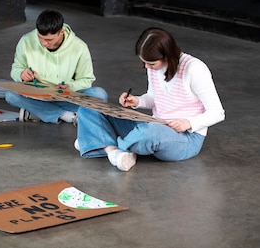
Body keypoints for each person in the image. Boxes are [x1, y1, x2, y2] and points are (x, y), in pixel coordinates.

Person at [75, 27, 225, 172]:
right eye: (144, 62)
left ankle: (93, 140)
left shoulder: (194, 69)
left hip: (185, 137)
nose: (147, 67)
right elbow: (154, 97)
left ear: (167, 56)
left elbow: (217, 112)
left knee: (149, 133)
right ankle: (113, 151)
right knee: (89, 108)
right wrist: (137, 101)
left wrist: (188, 123)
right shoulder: (153, 68)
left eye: (151, 63)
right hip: (154, 124)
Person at [5, 9, 107, 123]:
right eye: (40, 37)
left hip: (66, 96)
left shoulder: (79, 47)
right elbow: (16, 68)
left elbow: (86, 80)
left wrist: (70, 86)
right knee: (11, 95)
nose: (44, 43)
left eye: (49, 40)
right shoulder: (26, 41)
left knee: (99, 95)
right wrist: (21, 74)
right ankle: (66, 115)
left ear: (61, 32)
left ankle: (38, 112)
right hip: (37, 94)